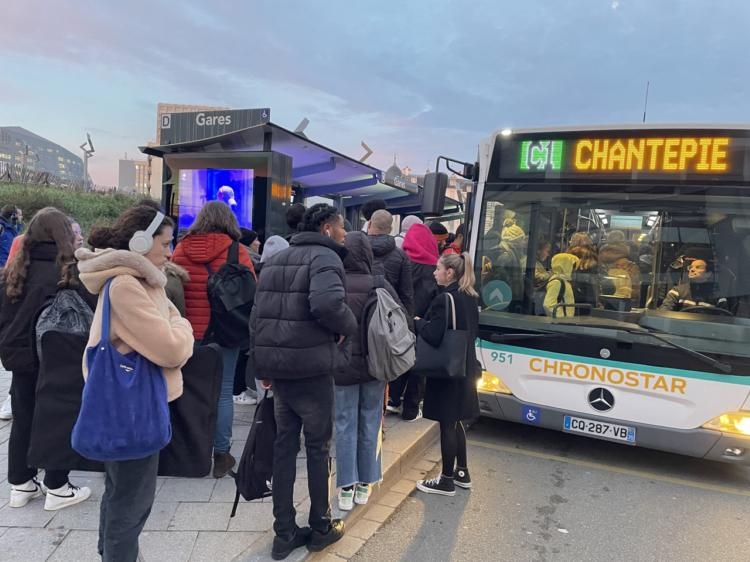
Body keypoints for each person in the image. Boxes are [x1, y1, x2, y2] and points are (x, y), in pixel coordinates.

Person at [77, 204, 194, 560]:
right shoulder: (127, 285)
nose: (170, 252)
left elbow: (170, 323)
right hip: (134, 407)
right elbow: (173, 348)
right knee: (132, 502)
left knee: (119, 493)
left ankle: (112, 553)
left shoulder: (141, 280)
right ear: (141, 242)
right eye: (165, 244)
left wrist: (175, 325)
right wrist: (184, 329)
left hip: (132, 402)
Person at [250, 203, 357, 559]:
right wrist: (349, 326)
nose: (345, 234)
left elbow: (258, 315)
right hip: (311, 369)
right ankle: (320, 525)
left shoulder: (276, 259)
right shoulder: (326, 259)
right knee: (317, 447)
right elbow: (327, 305)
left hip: (280, 370)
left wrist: (262, 367)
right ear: (327, 228)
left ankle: (284, 532)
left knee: (284, 446)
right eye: (342, 227)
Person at [0, 207, 94, 511]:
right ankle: (57, 486)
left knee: (23, 418)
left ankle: (20, 484)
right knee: (58, 417)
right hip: (58, 358)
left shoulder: (13, 271)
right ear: (64, 234)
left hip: (18, 357)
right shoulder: (68, 271)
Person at [172, 201, 256, 478]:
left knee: (189, 390)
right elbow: (250, 290)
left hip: (188, 332)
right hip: (224, 332)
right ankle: (221, 454)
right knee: (223, 391)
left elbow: (172, 287)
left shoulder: (181, 249)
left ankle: (190, 449)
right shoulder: (237, 250)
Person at [334, 231, 403, 512]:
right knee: (370, 421)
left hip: (343, 366)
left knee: (344, 423)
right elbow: (400, 320)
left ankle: (346, 489)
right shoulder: (380, 283)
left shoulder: (336, 282)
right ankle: (367, 482)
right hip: (377, 365)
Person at [415, 252, 480, 496]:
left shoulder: (445, 299)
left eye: (438, 269)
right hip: (465, 366)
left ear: (450, 272)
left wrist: (418, 321)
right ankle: (462, 472)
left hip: (447, 370)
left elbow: (433, 334)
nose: (434, 272)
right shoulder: (470, 297)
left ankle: (446, 480)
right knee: (458, 419)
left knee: (446, 423)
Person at [388, 223, 439, 421]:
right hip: (422, 322)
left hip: (400, 322)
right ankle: (410, 409)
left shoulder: (401, 261)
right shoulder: (435, 269)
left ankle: (392, 399)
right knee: (419, 367)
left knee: (400, 358)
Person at [367, 209, 414, 315]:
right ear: (390, 229)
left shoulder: (356, 250)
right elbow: (406, 294)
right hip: (389, 314)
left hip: (360, 310)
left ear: (369, 224)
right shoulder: (402, 256)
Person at [659, 259, 728, 312]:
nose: (692, 270)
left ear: (708, 274)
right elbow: (664, 313)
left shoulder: (718, 296)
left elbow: (724, 319)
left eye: (698, 267)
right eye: (690, 267)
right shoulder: (676, 292)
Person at [543, 253, 580, 317]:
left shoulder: (563, 281)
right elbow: (548, 305)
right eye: (572, 266)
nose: (574, 269)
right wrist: (561, 318)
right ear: (565, 266)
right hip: (561, 323)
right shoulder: (557, 282)